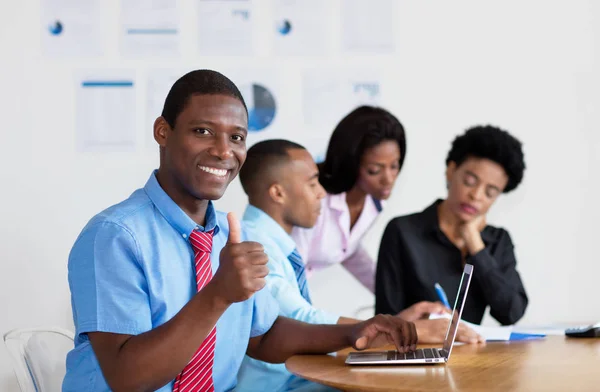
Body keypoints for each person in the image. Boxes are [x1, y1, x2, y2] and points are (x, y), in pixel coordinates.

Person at [63, 70, 418, 392]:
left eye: (236, 137)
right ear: (163, 131)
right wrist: (219, 294)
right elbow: (128, 378)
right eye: (203, 131)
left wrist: (354, 332)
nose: (223, 151)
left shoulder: (230, 240)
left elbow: (265, 335)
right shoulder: (115, 236)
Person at [236, 140, 484, 392]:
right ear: (278, 193)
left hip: (295, 375)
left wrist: (393, 323)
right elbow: (300, 319)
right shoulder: (256, 245)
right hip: (277, 384)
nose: (322, 193)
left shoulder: (276, 242)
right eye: (312, 184)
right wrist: (412, 331)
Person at [376, 125, 528, 325]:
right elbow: (385, 320)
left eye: (490, 192)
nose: (476, 195)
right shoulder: (402, 231)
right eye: (470, 181)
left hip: (474, 354)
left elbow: (511, 312)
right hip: (417, 352)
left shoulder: (498, 240)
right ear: (451, 170)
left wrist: (476, 246)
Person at [291, 106, 406, 294]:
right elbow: (292, 271)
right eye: (374, 170)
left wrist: (394, 296)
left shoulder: (374, 201)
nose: (389, 179)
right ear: (350, 164)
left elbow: (348, 250)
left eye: (394, 166)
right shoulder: (315, 200)